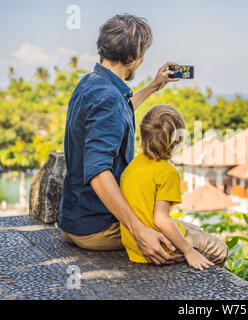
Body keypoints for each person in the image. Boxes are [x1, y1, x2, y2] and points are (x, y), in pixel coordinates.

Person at [59, 14, 181, 265]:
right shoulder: (108, 97)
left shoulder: (93, 83)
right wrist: (139, 231)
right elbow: (98, 171)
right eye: (143, 53)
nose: (142, 59)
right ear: (131, 57)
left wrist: (154, 87)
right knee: (206, 245)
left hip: (75, 220)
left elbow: (118, 114)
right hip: (98, 227)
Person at [120, 105, 228, 270]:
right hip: (160, 245)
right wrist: (188, 251)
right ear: (177, 141)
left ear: (142, 135)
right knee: (220, 249)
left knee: (195, 229)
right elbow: (161, 219)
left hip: (132, 244)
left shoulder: (132, 166)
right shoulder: (167, 172)